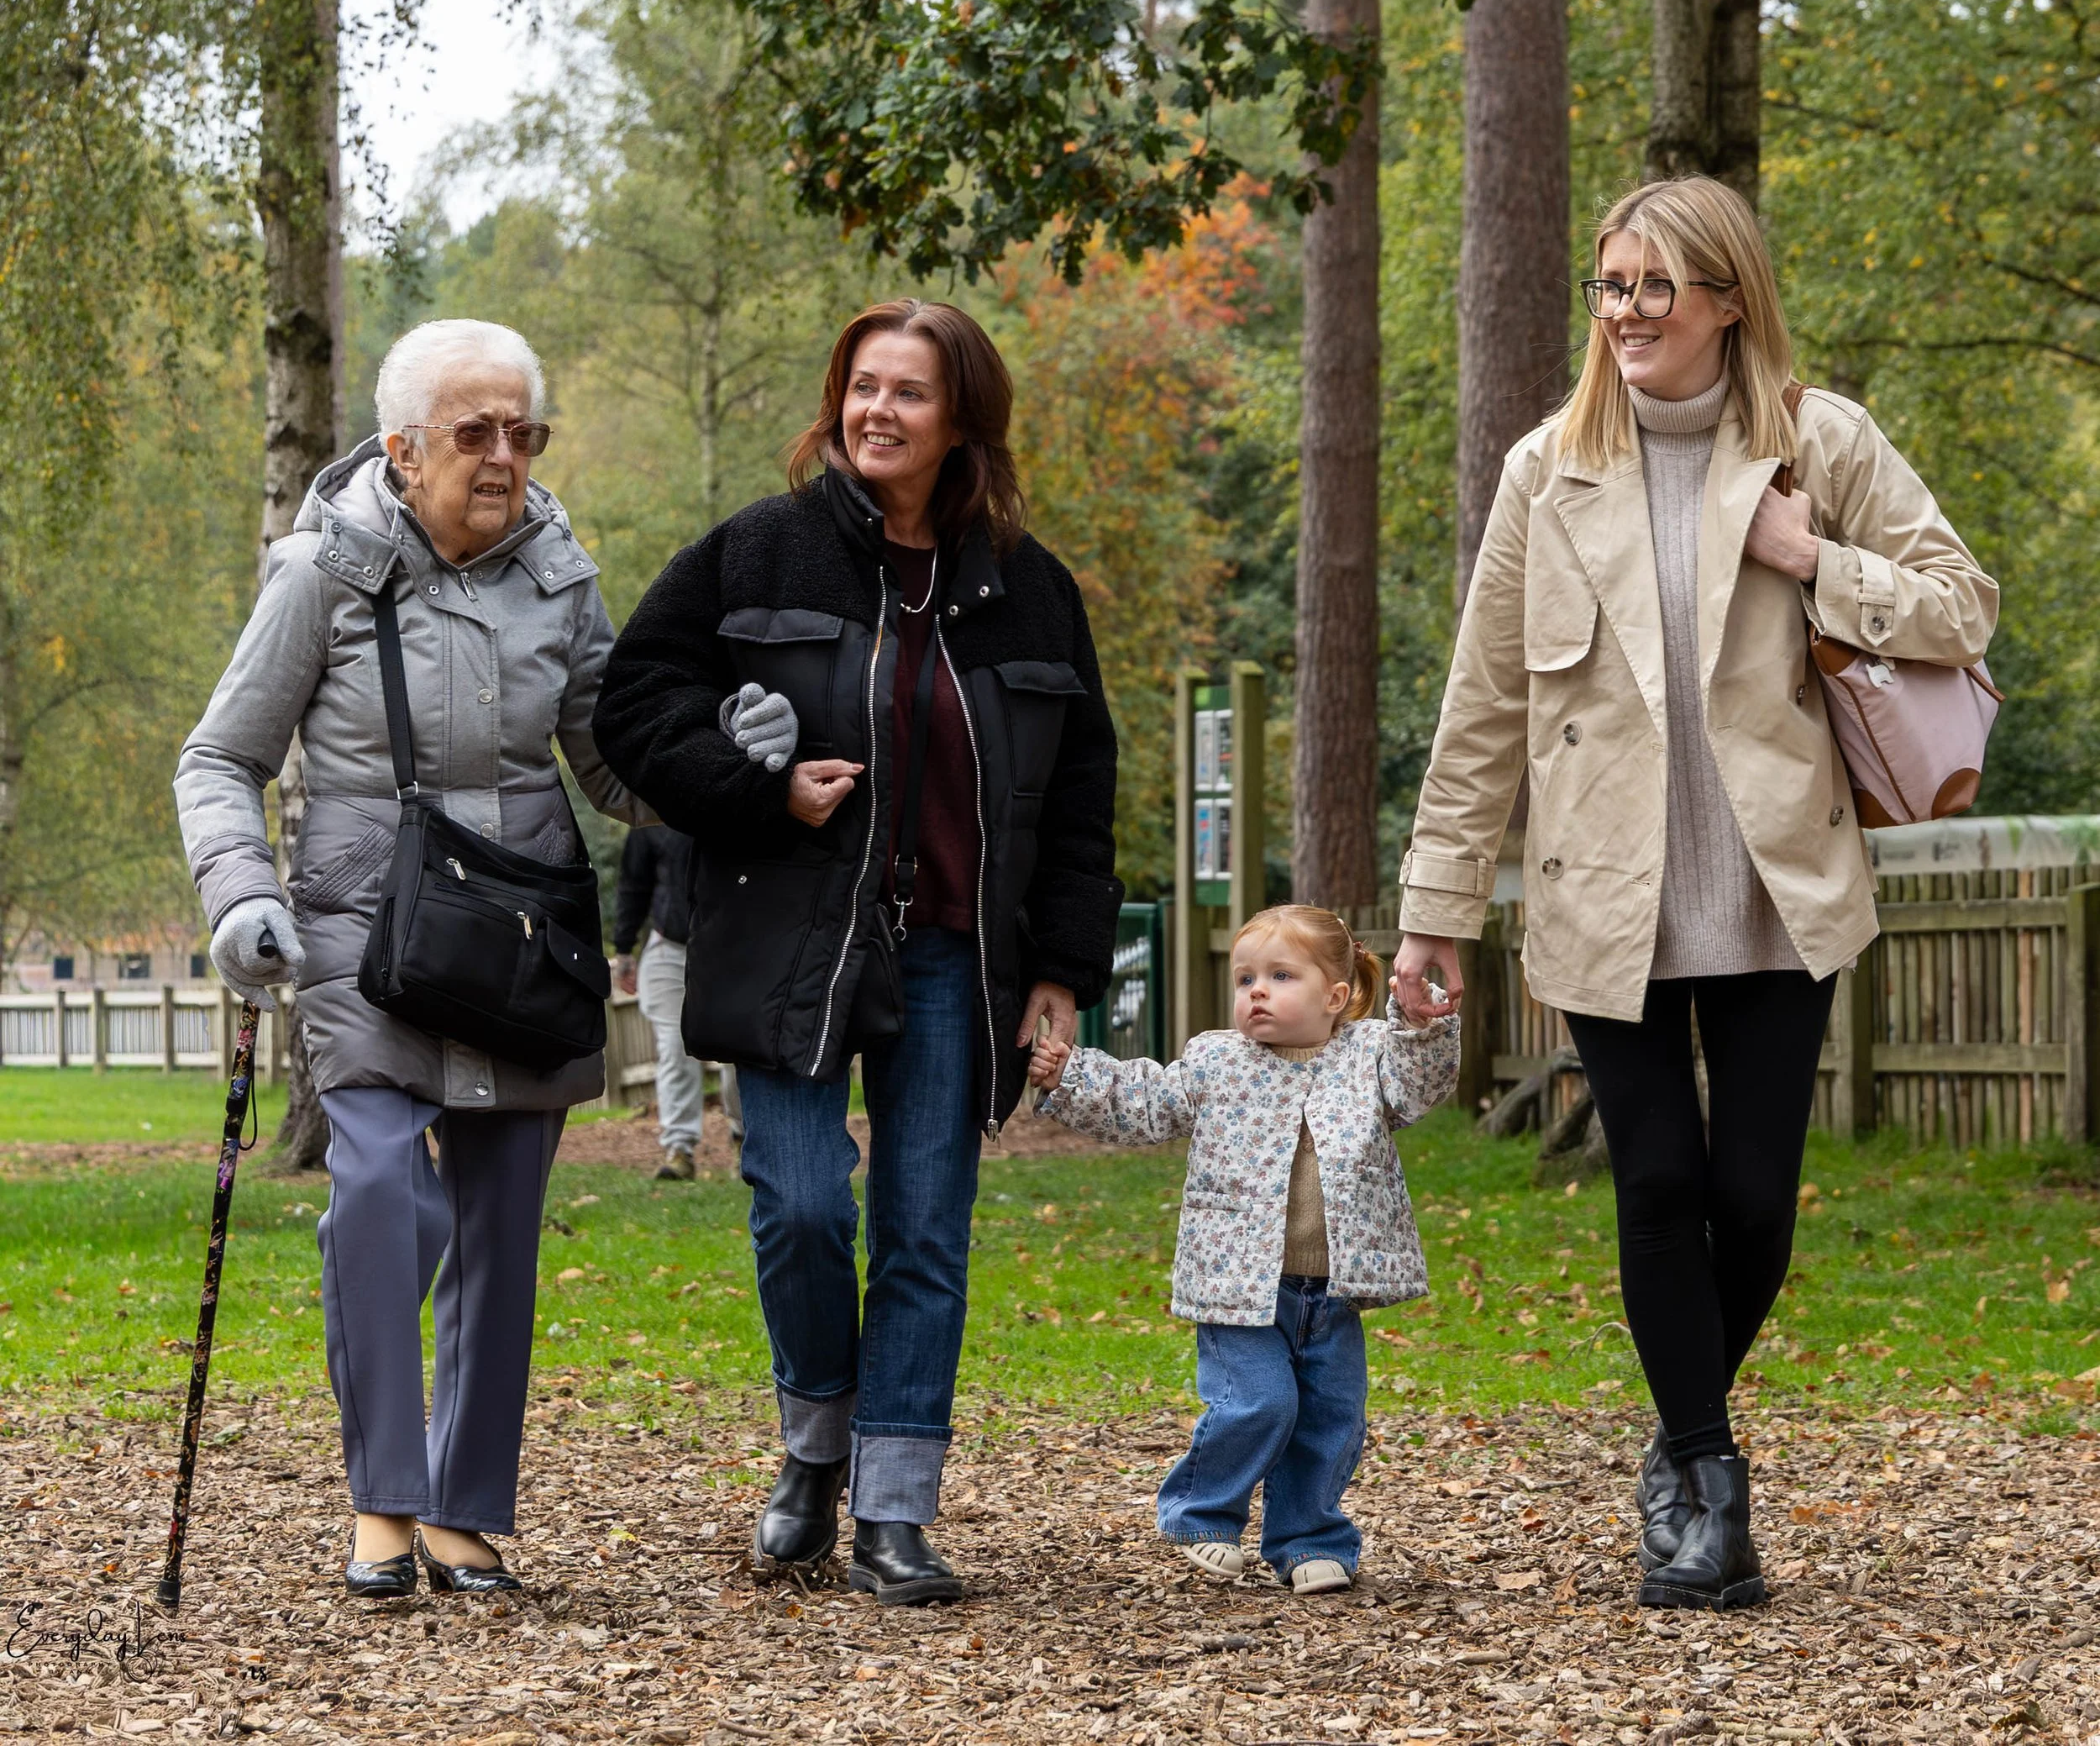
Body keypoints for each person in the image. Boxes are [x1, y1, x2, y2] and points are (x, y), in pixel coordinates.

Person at [1392, 176, 1998, 1612]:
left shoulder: (1817, 439)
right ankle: (1708, 1489)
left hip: (1778, 890)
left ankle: (1674, 1441)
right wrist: (1436, 906)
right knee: (1658, 1182)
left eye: (1659, 288)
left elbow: (1961, 605)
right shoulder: (1549, 468)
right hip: (1608, 895)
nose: (1629, 314)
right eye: (1612, 287)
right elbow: (1482, 706)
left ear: (1730, 297)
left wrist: (1815, 560)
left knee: (1757, 1201)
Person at [593, 298, 1121, 1605]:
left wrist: (1060, 963)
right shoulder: (758, 554)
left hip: (956, 954)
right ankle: (812, 1445)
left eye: (910, 392)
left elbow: (1080, 795)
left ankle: (893, 1506)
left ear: (962, 422)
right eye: (862, 386)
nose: (878, 410)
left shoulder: (1032, 589)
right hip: (789, 943)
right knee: (802, 1202)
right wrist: (755, 784)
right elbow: (633, 707)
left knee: (926, 1231)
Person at [174, 318, 648, 1599]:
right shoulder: (324, 571)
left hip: (517, 936)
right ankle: (384, 1494)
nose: (506, 458)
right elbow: (220, 757)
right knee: (383, 1190)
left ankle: (465, 1503)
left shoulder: (561, 571)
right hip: (360, 936)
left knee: (503, 1217)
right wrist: (240, 897)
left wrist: (735, 759)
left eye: (523, 432)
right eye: (475, 432)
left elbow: (614, 761)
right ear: (401, 446)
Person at [1030, 907, 1457, 1594]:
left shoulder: (1373, 1055)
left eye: (1280, 976)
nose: (1255, 990)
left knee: (1330, 1419)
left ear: (1335, 996)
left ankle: (1308, 1538)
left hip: (1333, 1291)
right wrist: (1069, 1075)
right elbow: (1146, 1102)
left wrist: (1425, 1020)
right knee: (1258, 1403)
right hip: (1238, 1285)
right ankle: (1203, 1514)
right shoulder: (1217, 1060)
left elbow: (1424, 1081)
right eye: (1245, 977)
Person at [612, 825, 742, 1179]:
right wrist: (624, 950)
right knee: (674, 1049)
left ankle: (744, 1137)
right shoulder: (651, 814)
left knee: (737, 1050)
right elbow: (634, 883)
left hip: (729, 945)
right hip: (670, 946)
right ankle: (679, 1150)